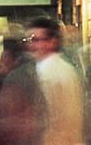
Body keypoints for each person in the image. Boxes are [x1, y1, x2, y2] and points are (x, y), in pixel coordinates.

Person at [23, 17, 82, 145]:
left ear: (52, 42)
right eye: (28, 40)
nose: (31, 45)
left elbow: (60, 117)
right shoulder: (56, 67)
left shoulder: (53, 72)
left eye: (36, 40)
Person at [0, 38, 45, 145]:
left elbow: (14, 114)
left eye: (3, 56)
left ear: (8, 55)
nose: (1, 59)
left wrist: (0, 123)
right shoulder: (30, 71)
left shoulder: (15, 78)